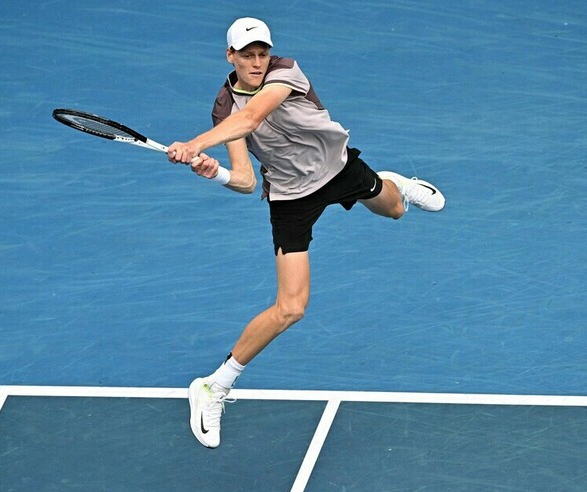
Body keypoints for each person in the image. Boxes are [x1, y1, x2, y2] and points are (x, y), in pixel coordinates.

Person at [167, 17, 445, 448]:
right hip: (291, 196)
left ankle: (392, 183)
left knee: (394, 210)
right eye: (247, 55)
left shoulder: (285, 71)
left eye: (261, 53)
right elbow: (245, 180)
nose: (256, 62)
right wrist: (214, 171)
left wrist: (196, 144)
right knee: (291, 308)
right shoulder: (224, 108)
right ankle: (213, 385)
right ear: (230, 56)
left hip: (336, 167)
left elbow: (253, 117)